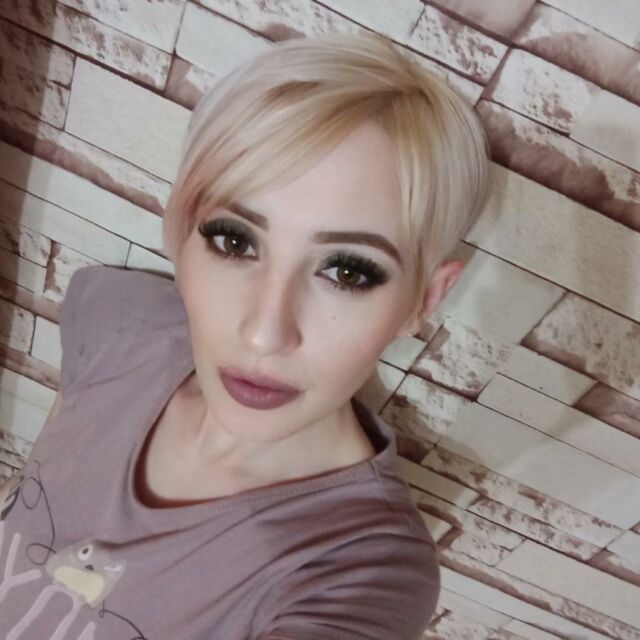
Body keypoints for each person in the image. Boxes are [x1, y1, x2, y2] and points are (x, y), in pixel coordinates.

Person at [0, 30, 488, 640]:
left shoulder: (362, 575)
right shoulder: (118, 321)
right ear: (180, 228)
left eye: (347, 272)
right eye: (235, 241)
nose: (263, 334)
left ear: (425, 299)